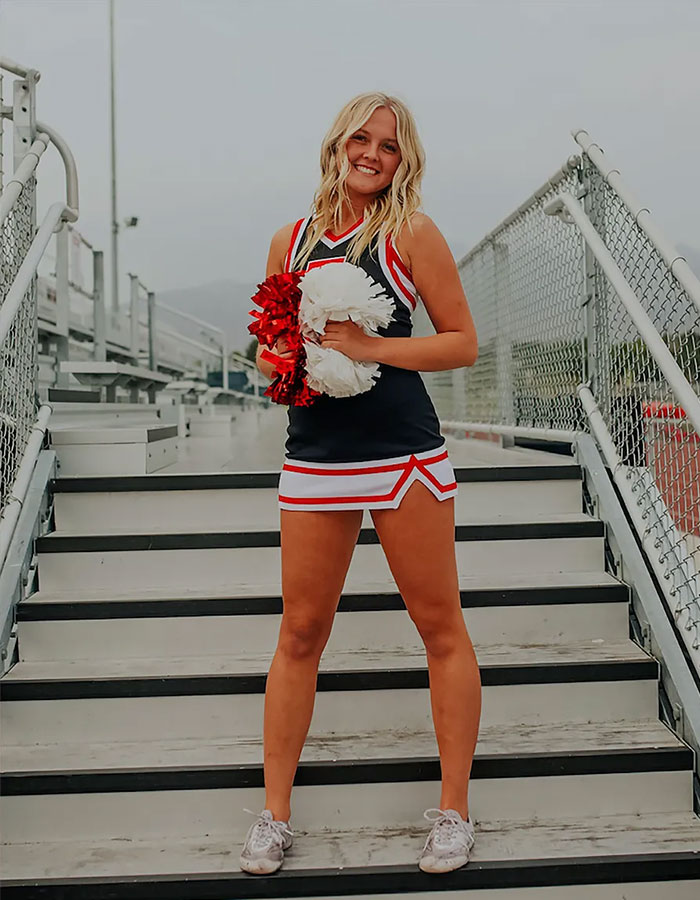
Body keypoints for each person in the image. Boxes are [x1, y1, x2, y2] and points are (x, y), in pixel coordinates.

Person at [240, 91, 481, 876]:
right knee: (300, 634)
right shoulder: (290, 238)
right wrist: (278, 363)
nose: (372, 152)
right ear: (338, 142)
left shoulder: (411, 231)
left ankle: (453, 813)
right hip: (314, 455)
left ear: (403, 158)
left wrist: (371, 346)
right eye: (361, 138)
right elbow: (271, 350)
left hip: (402, 453)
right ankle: (273, 817)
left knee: (439, 627)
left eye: (389, 143)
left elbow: (461, 344)